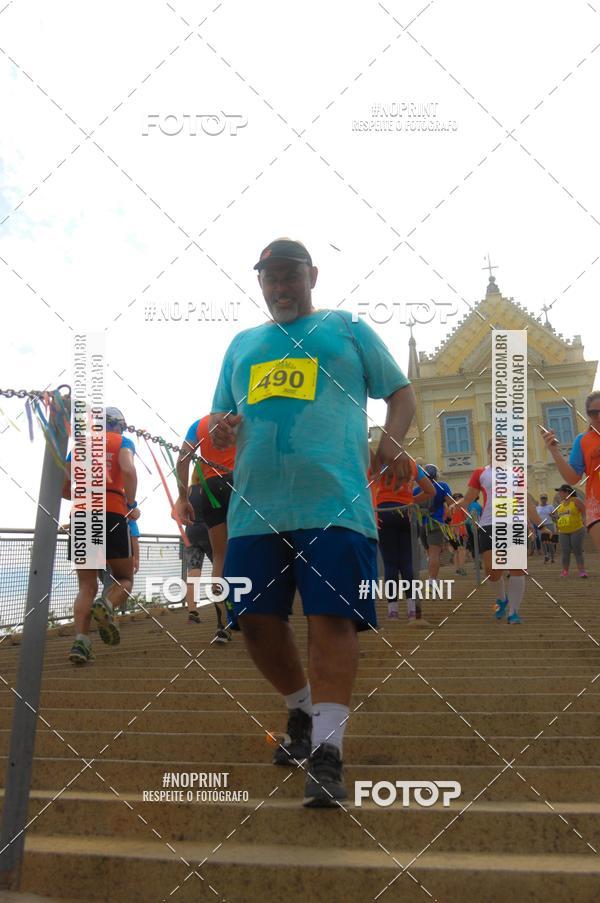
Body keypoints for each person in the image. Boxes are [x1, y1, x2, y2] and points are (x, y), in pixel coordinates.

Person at [209, 238, 416, 807]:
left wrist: (392, 442)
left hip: (335, 500)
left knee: (331, 617)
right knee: (253, 620)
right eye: (270, 278)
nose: (280, 286)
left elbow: (401, 393)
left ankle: (327, 752)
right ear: (260, 284)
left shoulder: (347, 328)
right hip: (255, 507)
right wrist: (221, 427)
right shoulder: (242, 344)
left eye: (290, 275)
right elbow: (222, 413)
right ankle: (300, 708)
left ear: (312, 275)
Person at [63, 407, 138, 664]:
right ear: (118, 425)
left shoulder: (80, 445)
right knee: (124, 578)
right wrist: (131, 503)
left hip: (81, 514)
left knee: (86, 585)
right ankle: (106, 604)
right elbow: (127, 469)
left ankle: (81, 642)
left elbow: (64, 486)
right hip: (113, 511)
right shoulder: (122, 442)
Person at [461, 440, 543, 625]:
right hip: (489, 523)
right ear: (489, 452)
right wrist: (455, 506)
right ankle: (501, 599)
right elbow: (468, 498)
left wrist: (540, 525)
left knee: (517, 568)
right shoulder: (480, 473)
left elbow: (526, 502)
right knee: (492, 571)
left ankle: (514, 611)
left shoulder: (517, 473)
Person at [174, 415, 236, 643]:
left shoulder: (199, 425)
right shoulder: (243, 416)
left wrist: (183, 498)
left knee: (220, 556)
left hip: (211, 488)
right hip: (240, 482)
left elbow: (182, 460)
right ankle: (252, 613)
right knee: (248, 548)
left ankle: (223, 624)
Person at [372, 452, 435, 623]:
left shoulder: (380, 461)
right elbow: (431, 491)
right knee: (407, 563)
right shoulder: (412, 463)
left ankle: (393, 611)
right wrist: (411, 499)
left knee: (390, 563)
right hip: (406, 513)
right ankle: (412, 609)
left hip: (384, 512)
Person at [542, 390, 600, 554]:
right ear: (588, 415)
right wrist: (554, 452)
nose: (599, 416)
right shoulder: (583, 440)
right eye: (594, 412)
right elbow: (573, 478)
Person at [413, 465, 452, 579]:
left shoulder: (416, 490)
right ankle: (432, 580)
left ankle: (429, 574)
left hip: (422, 525)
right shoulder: (442, 486)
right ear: (436, 475)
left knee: (428, 553)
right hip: (436, 523)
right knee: (434, 554)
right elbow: (451, 504)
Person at [554, 484, 588, 578]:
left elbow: (584, 510)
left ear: (567, 492)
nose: (559, 493)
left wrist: (585, 521)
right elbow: (561, 517)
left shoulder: (575, 500)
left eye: (560, 491)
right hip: (563, 531)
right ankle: (565, 571)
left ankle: (582, 571)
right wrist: (556, 522)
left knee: (577, 551)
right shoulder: (561, 504)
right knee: (565, 552)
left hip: (576, 530)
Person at [447, 492, 468, 576]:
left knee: (456, 551)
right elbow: (467, 518)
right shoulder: (461, 507)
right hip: (459, 531)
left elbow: (447, 519)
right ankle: (461, 569)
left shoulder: (449, 507)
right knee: (462, 550)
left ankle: (457, 570)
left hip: (450, 531)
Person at [536, 494, 556, 564]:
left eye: (544, 498)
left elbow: (555, 516)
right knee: (542, 542)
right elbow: (536, 517)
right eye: (542, 498)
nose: (543, 499)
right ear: (540, 499)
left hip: (549, 525)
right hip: (541, 526)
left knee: (550, 542)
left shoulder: (550, 507)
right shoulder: (537, 508)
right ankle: (546, 556)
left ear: (547, 499)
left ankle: (552, 557)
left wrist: (552, 515)